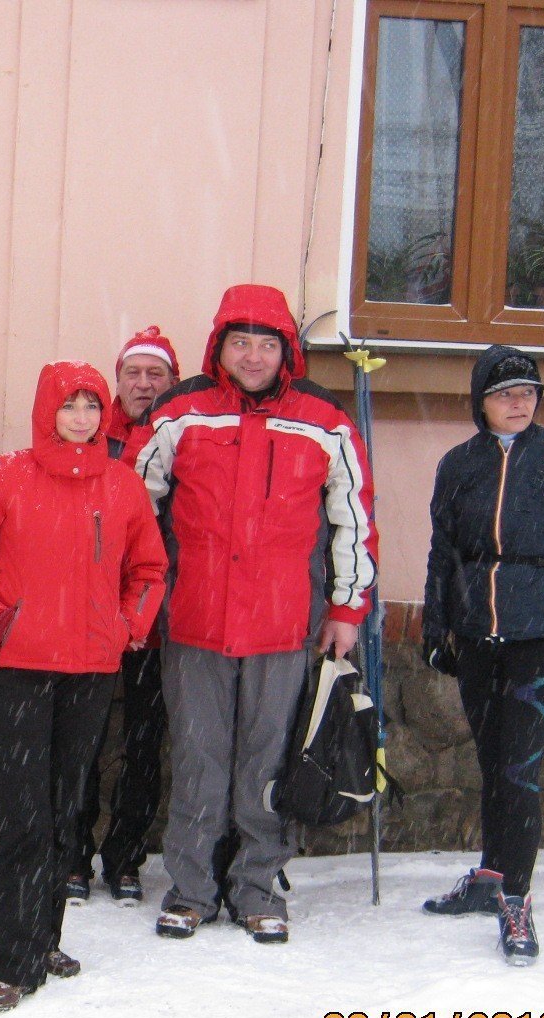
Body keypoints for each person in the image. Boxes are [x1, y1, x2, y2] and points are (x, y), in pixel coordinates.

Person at [135, 284, 377, 945]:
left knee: (267, 764)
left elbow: (352, 521)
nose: (252, 355)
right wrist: (139, 594)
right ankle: (190, 889)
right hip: (195, 622)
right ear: (220, 347)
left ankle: (258, 888)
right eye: (240, 342)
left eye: (266, 344)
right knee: (197, 759)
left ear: (286, 353)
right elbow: (133, 506)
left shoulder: (323, 422)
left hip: (281, 623)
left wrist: (347, 607)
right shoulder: (181, 413)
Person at [0, 360, 167, 1012]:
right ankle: (13, 961)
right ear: (48, 410)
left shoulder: (121, 486)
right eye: (71, 406)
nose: (83, 418)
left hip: (90, 671)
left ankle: (46, 937)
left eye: (92, 406)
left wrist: (127, 626)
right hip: (20, 671)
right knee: (25, 820)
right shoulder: (5, 476)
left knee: (65, 815)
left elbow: (149, 568)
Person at [420, 345, 544, 966]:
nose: (518, 403)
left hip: (540, 634)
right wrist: (435, 627)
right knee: (491, 757)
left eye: (528, 392)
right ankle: (490, 877)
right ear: (481, 401)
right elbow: (442, 551)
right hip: (476, 632)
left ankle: (517, 897)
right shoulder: (459, 464)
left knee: (520, 769)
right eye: (505, 394)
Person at [69, 326, 180, 905]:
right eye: (133, 373)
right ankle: (72, 856)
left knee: (143, 744)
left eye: (154, 374)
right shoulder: (90, 435)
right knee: (82, 740)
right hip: (90, 616)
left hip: (156, 622)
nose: (143, 384)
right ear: (118, 380)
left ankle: (127, 856)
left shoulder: (186, 437)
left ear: (172, 380)